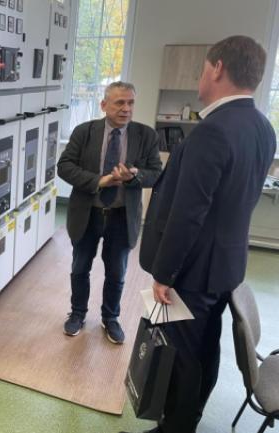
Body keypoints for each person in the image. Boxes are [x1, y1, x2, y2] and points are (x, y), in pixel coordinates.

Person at [122, 36, 277, 433]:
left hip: (191, 271)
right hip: (225, 265)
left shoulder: (213, 131)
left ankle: (176, 427)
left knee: (181, 356)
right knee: (205, 347)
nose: (201, 76)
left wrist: (164, 274)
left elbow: (188, 214)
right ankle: (187, 419)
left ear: (218, 68)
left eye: (204, 68)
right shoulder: (263, 127)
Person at [57, 82, 162, 344]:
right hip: (87, 214)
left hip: (121, 216)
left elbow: (156, 173)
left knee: (116, 272)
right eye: (119, 103)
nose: (126, 109)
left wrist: (135, 177)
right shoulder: (84, 132)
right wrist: (98, 181)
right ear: (104, 105)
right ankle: (78, 314)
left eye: (130, 103)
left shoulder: (146, 135)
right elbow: (64, 166)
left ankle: (110, 318)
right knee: (80, 267)